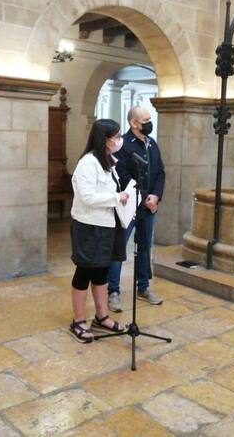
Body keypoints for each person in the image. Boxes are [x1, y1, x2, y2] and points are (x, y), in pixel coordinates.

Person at [69, 118, 128, 342]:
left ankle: (101, 316)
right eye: (116, 137)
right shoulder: (88, 162)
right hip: (88, 226)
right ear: (104, 139)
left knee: (101, 271)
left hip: (107, 225)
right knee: (84, 272)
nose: (119, 140)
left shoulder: (108, 161)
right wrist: (117, 197)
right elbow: (87, 196)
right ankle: (78, 321)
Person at [106, 106, 165, 312]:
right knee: (119, 248)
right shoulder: (122, 144)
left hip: (148, 206)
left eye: (149, 119)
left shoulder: (152, 143)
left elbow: (160, 172)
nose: (149, 123)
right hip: (129, 205)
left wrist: (155, 195)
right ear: (133, 123)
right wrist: (143, 197)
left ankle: (143, 286)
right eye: (145, 120)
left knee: (145, 247)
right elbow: (122, 175)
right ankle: (113, 291)